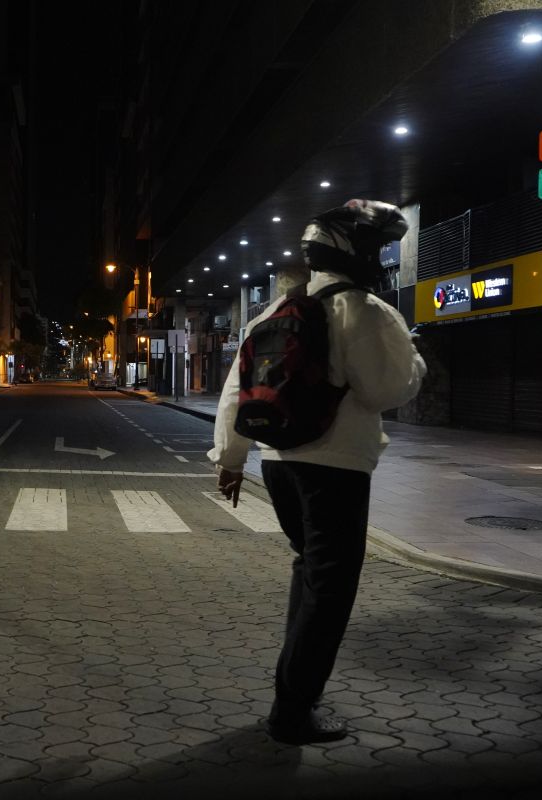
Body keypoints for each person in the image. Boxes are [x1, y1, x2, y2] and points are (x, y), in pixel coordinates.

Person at [207, 199, 427, 745]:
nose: (380, 257)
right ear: (354, 251)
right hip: (336, 466)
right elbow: (386, 389)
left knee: (310, 572)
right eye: (376, 247)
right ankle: (292, 710)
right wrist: (415, 360)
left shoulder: (273, 312)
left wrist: (231, 460)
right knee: (331, 589)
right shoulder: (363, 309)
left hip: (278, 464)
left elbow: (237, 391)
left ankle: (295, 690)